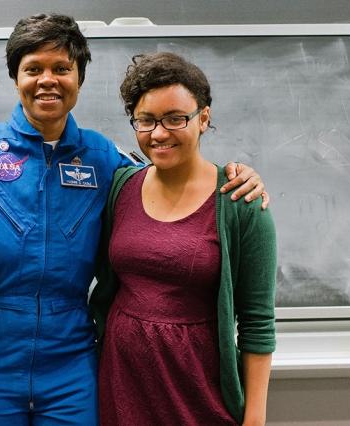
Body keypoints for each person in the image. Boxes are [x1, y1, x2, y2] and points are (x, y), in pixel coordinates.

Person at [0, 15, 268, 425]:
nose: (47, 80)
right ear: (16, 77)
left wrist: (237, 174)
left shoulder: (105, 159)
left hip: (72, 360)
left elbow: (167, 178)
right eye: (32, 68)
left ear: (79, 77)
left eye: (61, 67)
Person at [92, 52, 277, 426]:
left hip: (197, 390)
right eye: (146, 120)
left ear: (204, 118)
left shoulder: (241, 202)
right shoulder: (121, 187)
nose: (159, 133)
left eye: (176, 118)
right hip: (121, 383)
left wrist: (254, 420)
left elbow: (257, 323)